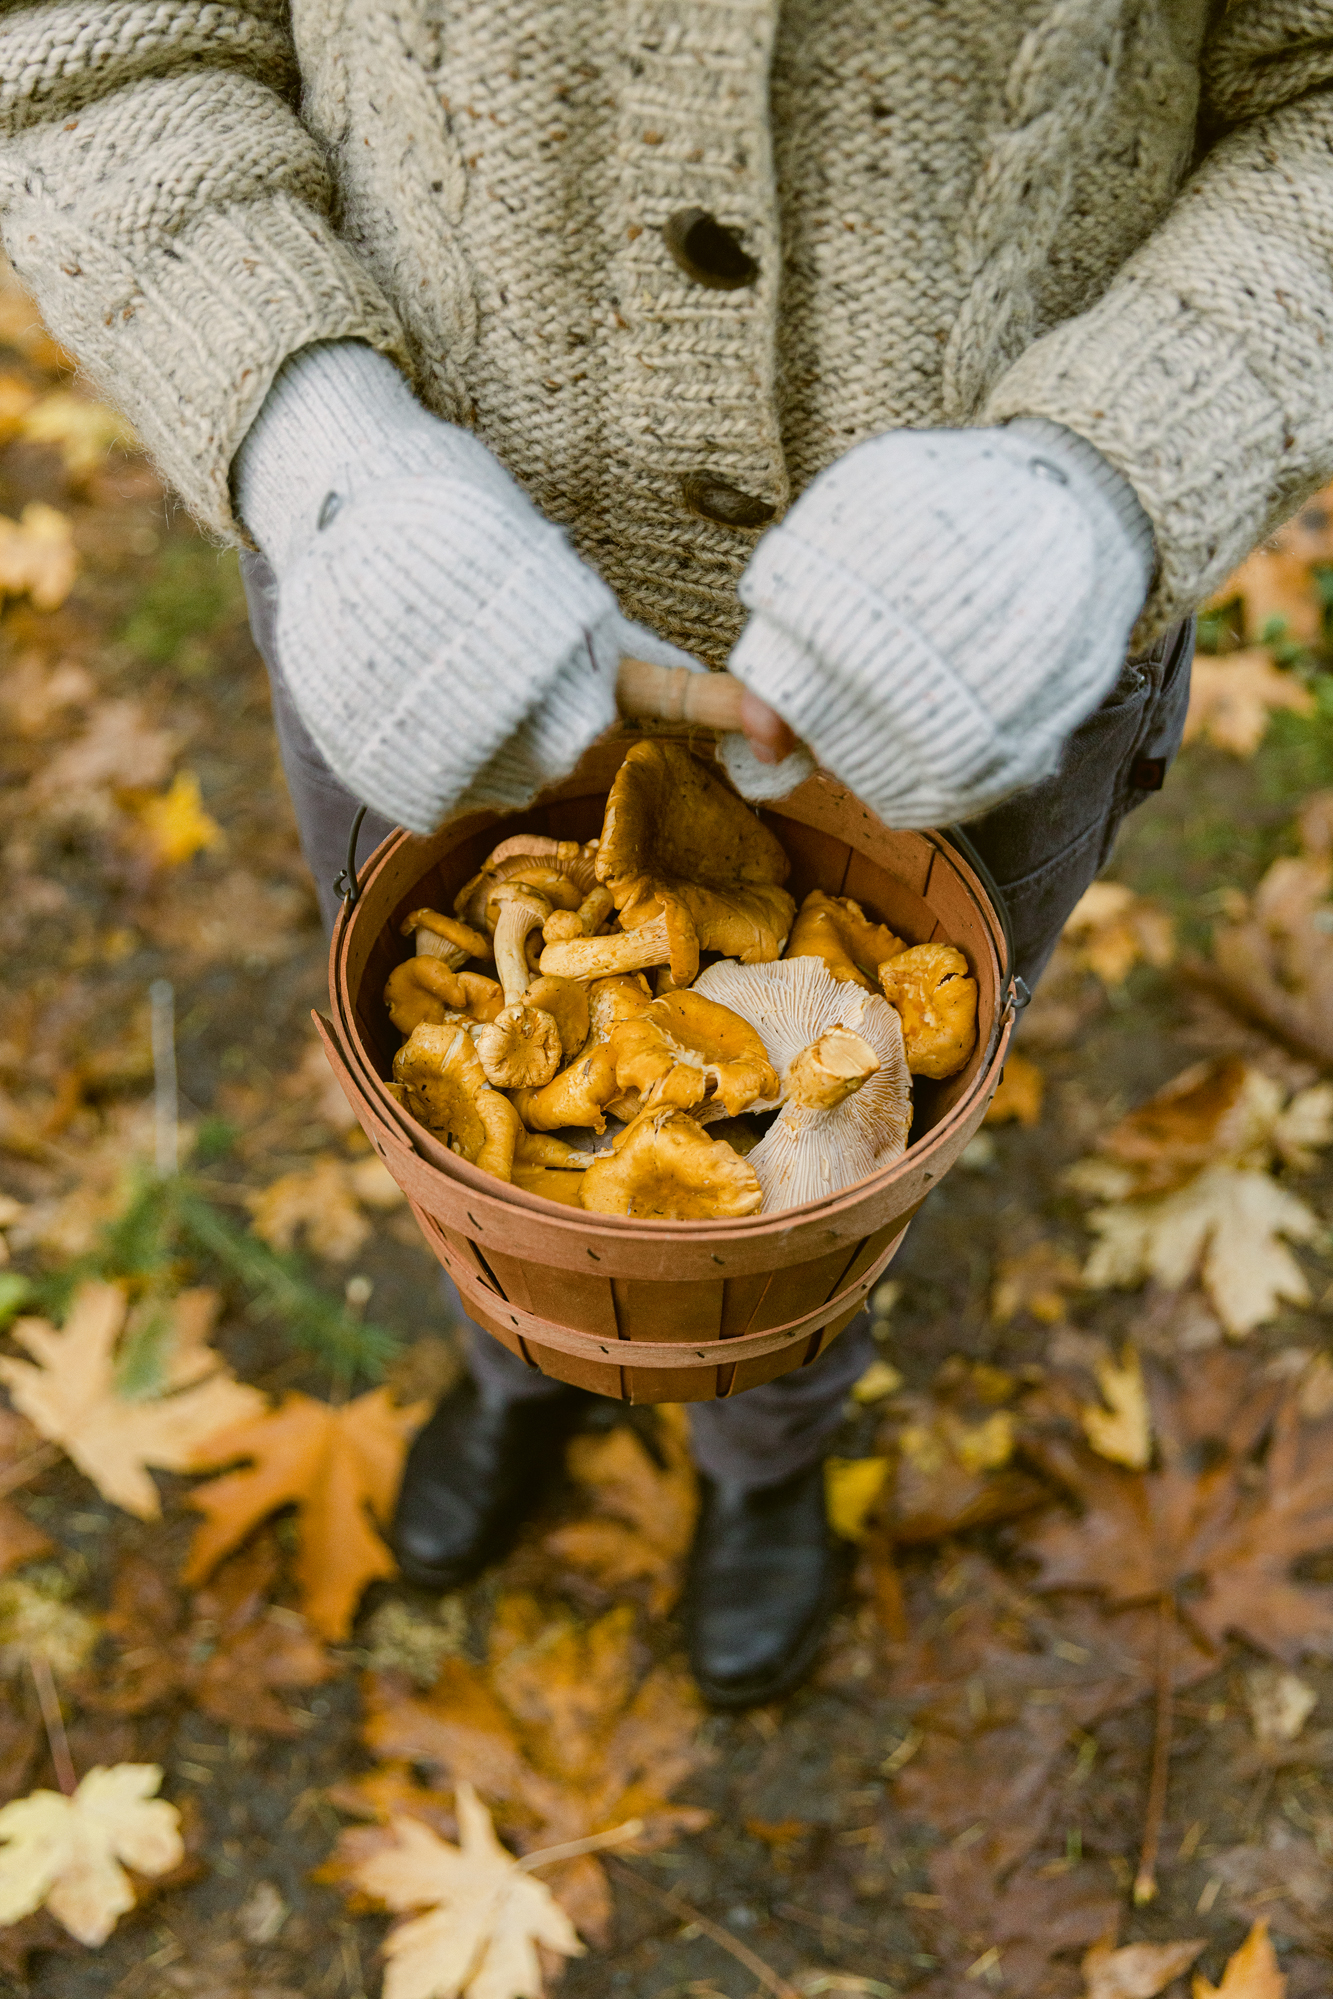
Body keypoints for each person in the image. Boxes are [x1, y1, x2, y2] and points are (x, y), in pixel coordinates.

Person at [3, 1, 1324, 1706]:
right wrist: (318, 450)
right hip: (413, 598)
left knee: (825, 1183)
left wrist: (1120, 466)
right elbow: (78, 39)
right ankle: (519, 1366)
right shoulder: (367, 530)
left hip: (994, 631)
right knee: (469, 1148)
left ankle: (765, 1453)